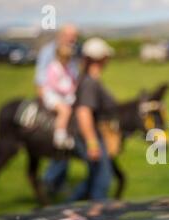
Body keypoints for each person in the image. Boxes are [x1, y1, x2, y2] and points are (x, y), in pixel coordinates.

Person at [69, 37, 115, 201]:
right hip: (88, 136)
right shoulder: (90, 82)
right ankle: (97, 213)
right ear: (101, 58)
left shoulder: (90, 79)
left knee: (93, 179)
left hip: (90, 135)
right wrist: (92, 143)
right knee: (103, 180)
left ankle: (69, 210)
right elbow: (83, 112)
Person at [35, 24, 79, 195]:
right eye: (69, 35)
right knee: (61, 137)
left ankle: (58, 183)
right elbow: (42, 81)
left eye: (74, 36)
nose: (72, 39)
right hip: (53, 98)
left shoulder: (72, 53)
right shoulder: (49, 52)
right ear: (61, 35)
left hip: (66, 97)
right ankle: (49, 179)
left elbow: (72, 77)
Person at [42, 43, 76, 149]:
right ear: (59, 57)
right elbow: (53, 84)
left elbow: (71, 79)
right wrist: (67, 90)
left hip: (66, 96)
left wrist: (75, 86)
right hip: (53, 96)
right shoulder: (53, 67)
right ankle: (59, 137)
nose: (68, 60)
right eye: (66, 58)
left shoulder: (67, 68)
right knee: (65, 111)